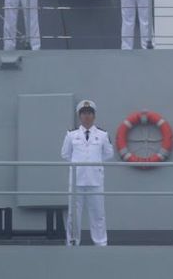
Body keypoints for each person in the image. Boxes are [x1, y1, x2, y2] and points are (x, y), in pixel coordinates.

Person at [61, 100, 114, 246]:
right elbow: (65, 154)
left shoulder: (103, 135)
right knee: (73, 215)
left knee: (98, 214)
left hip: (95, 179)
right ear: (79, 116)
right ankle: (72, 241)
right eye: (84, 113)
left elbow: (108, 154)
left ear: (94, 115)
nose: (87, 116)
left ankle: (100, 242)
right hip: (76, 179)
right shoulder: (71, 135)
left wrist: (94, 165)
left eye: (89, 113)